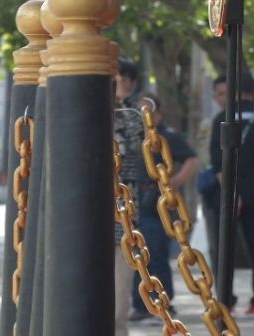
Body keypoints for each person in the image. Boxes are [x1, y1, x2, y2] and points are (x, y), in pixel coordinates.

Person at [207, 71, 254, 318]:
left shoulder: (223, 118)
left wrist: (232, 193)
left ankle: (226, 302)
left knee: (224, 248)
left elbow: (218, 164)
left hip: (229, 188)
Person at [128, 93, 200, 324]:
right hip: (133, 203)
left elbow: (191, 159)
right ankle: (141, 305)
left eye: (148, 111)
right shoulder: (131, 138)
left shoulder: (167, 137)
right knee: (134, 255)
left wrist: (176, 180)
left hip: (156, 205)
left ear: (158, 113)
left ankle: (163, 303)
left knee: (156, 254)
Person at [113, 58, 145, 336]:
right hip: (86, 218)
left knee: (117, 303)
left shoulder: (133, 117)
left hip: (123, 218)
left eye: (121, 79)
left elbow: (136, 142)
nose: (115, 84)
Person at [199, 76, 226, 270]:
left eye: (225, 93)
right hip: (214, 187)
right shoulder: (210, 124)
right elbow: (209, 157)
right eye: (218, 94)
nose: (222, 98)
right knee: (217, 242)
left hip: (240, 186)